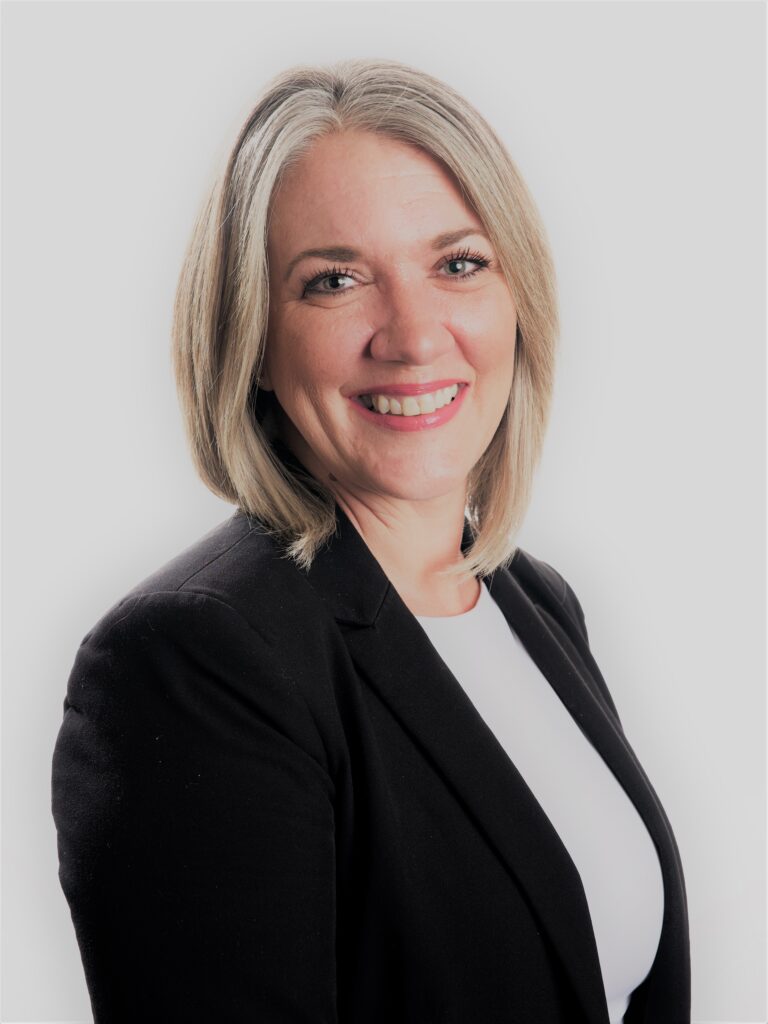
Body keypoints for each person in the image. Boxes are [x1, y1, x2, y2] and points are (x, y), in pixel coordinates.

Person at [50, 58, 691, 1023]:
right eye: (335, 280)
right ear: (253, 338)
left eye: (458, 263)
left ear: (518, 300)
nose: (414, 334)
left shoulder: (530, 599)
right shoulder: (191, 661)